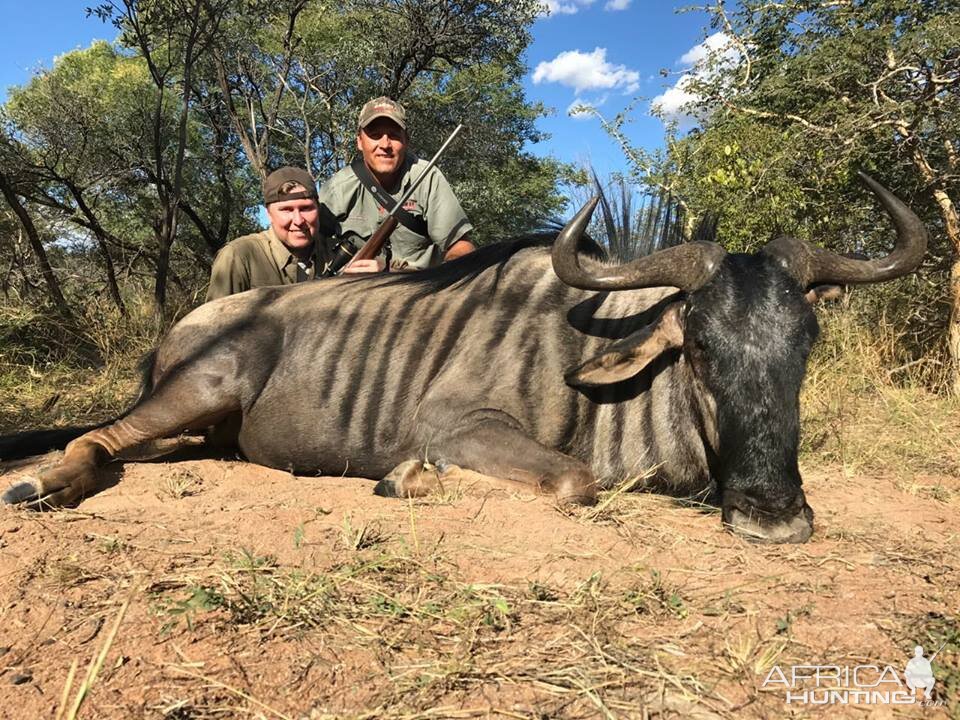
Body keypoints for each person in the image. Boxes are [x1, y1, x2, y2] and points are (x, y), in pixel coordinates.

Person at [318, 96, 476, 273]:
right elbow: (310, 242)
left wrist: (447, 274)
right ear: (360, 142)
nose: (385, 144)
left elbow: (461, 247)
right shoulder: (337, 186)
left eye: (394, 135)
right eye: (375, 135)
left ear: (406, 141)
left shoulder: (427, 177)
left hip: (416, 290)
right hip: (350, 292)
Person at [206, 166, 332, 301]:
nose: (298, 220)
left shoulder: (336, 253)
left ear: (318, 209)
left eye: (306, 208)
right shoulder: (239, 256)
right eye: (286, 210)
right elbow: (216, 318)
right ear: (269, 214)